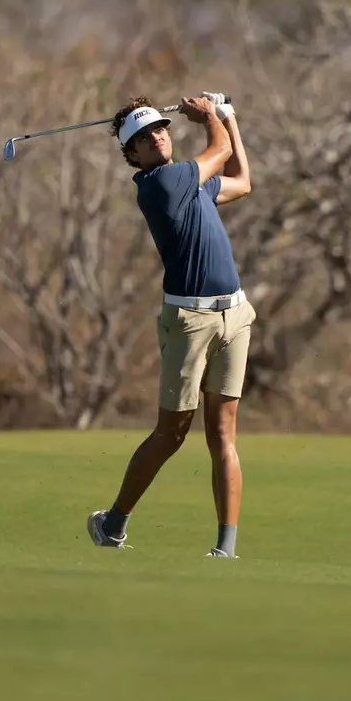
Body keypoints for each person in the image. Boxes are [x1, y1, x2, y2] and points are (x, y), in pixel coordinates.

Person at [86, 90, 255, 558]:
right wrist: (209, 118)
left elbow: (241, 179)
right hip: (190, 320)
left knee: (224, 435)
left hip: (235, 315)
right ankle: (114, 521)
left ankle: (226, 548)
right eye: (143, 136)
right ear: (132, 155)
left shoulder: (192, 182)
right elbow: (218, 152)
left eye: (160, 128)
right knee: (172, 434)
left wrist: (229, 116)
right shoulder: (160, 183)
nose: (156, 137)